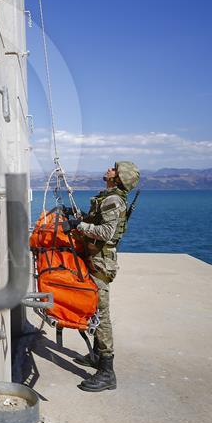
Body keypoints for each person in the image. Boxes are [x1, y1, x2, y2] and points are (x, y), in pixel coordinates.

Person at [65, 160, 140, 392]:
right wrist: (81, 218)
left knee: (101, 313)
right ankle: (97, 356)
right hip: (95, 259)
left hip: (101, 263)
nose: (108, 169)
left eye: (113, 169)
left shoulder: (113, 200)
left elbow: (106, 233)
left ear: (116, 178)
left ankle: (107, 372)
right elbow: (98, 222)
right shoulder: (107, 197)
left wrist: (80, 226)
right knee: (92, 306)